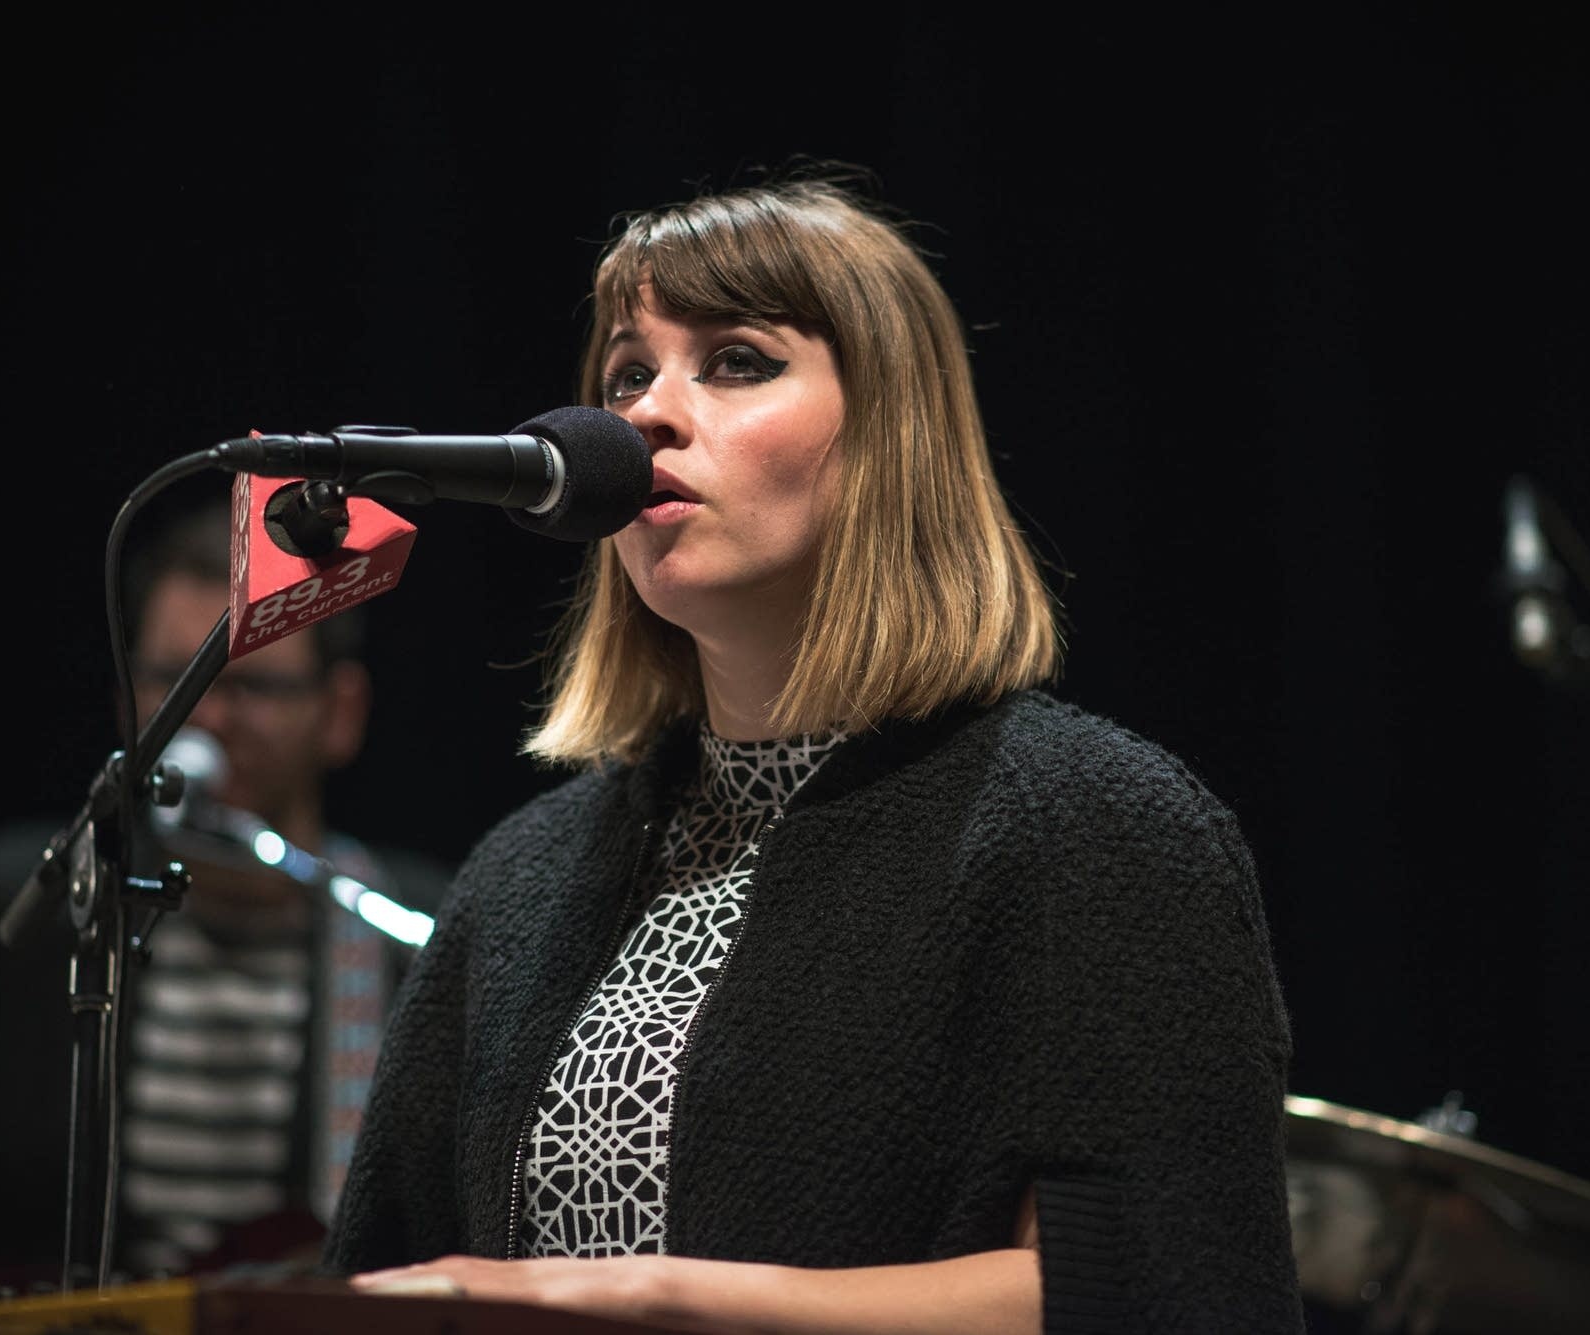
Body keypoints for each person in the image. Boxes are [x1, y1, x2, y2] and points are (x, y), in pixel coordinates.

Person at [322, 168, 1305, 1333]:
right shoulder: (522, 879)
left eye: (735, 361)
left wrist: (641, 1294)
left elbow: (1150, 1288)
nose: (644, 416)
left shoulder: (1094, 825)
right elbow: (384, 1282)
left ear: (891, 435)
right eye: (628, 372)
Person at [0, 488, 453, 1298]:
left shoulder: (423, 929)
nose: (207, 720)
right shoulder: (11, 901)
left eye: (253, 686)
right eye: (173, 679)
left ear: (341, 712)